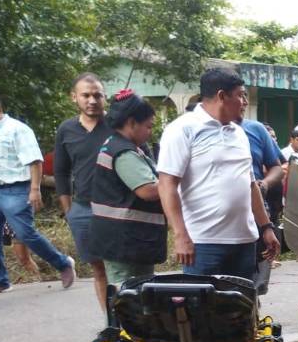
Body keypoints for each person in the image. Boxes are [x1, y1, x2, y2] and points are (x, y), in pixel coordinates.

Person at [156, 68, 279, 280]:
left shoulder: (238, 132)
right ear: (222, 96)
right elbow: (166, 184)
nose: (244, 102)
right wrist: (180, 235)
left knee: (242, 310)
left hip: (244, 241)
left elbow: (249, 185)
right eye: (240, 95)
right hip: (204, 243)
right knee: (204, 310)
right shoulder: (182, 129)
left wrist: (266, 227)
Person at [0, 94, 76, 295]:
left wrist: (35, 189)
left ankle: (63, 264)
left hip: (15, 190)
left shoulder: (17, 130)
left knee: (25, 234)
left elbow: (35, 161)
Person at [87, 91, 166, 285]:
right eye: (148, 126)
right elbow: (148, 190)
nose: (150, 132)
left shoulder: (117, 145)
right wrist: (175, 181)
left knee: (132, 297)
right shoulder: (123, 152)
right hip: (125, 242)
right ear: (132, 123)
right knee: (129, 299)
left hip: (126, 241)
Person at [54, 73, 112, 309]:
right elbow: (61, 172)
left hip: (117, 209)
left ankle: (133, 327)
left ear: (104, 97)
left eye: (97, 95)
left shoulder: (118, 124)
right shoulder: (66, 129)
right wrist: (69, 211)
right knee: (98, 269)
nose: (92, 100)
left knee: (121, 268)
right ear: (74, 97)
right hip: (83, 210)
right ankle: (111, 324)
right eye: (86, 95)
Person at [238, 91, 285, 295]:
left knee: (255, 283)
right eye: (239, 96)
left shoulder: (255, 129)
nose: (244, 102)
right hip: (218, 222)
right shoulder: (196, 130)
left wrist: (264, 184)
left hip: (257, 210)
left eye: (246, 96)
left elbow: (279, 166)